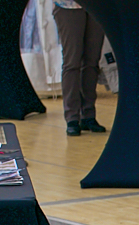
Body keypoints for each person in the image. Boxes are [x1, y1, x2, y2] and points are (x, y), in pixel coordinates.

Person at [52, 0, 107, 137]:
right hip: (68, 6)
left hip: (97, 7)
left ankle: (88, 115)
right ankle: (72, 118)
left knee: (92, 62)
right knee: (72, 62)